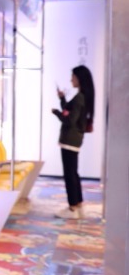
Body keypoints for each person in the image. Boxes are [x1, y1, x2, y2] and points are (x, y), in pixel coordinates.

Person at [51, 65, 95, 219]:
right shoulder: (82, 97)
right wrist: (62, 99)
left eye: (73, 77)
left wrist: (56, 112)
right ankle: (78, 204)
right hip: (74, 140)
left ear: (79, 78)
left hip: (70, 140)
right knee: (73, 173)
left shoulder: (80, 98)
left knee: (69, 174)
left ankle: (72, 207)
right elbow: (69, 111)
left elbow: (69, 119)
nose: (71, 80)